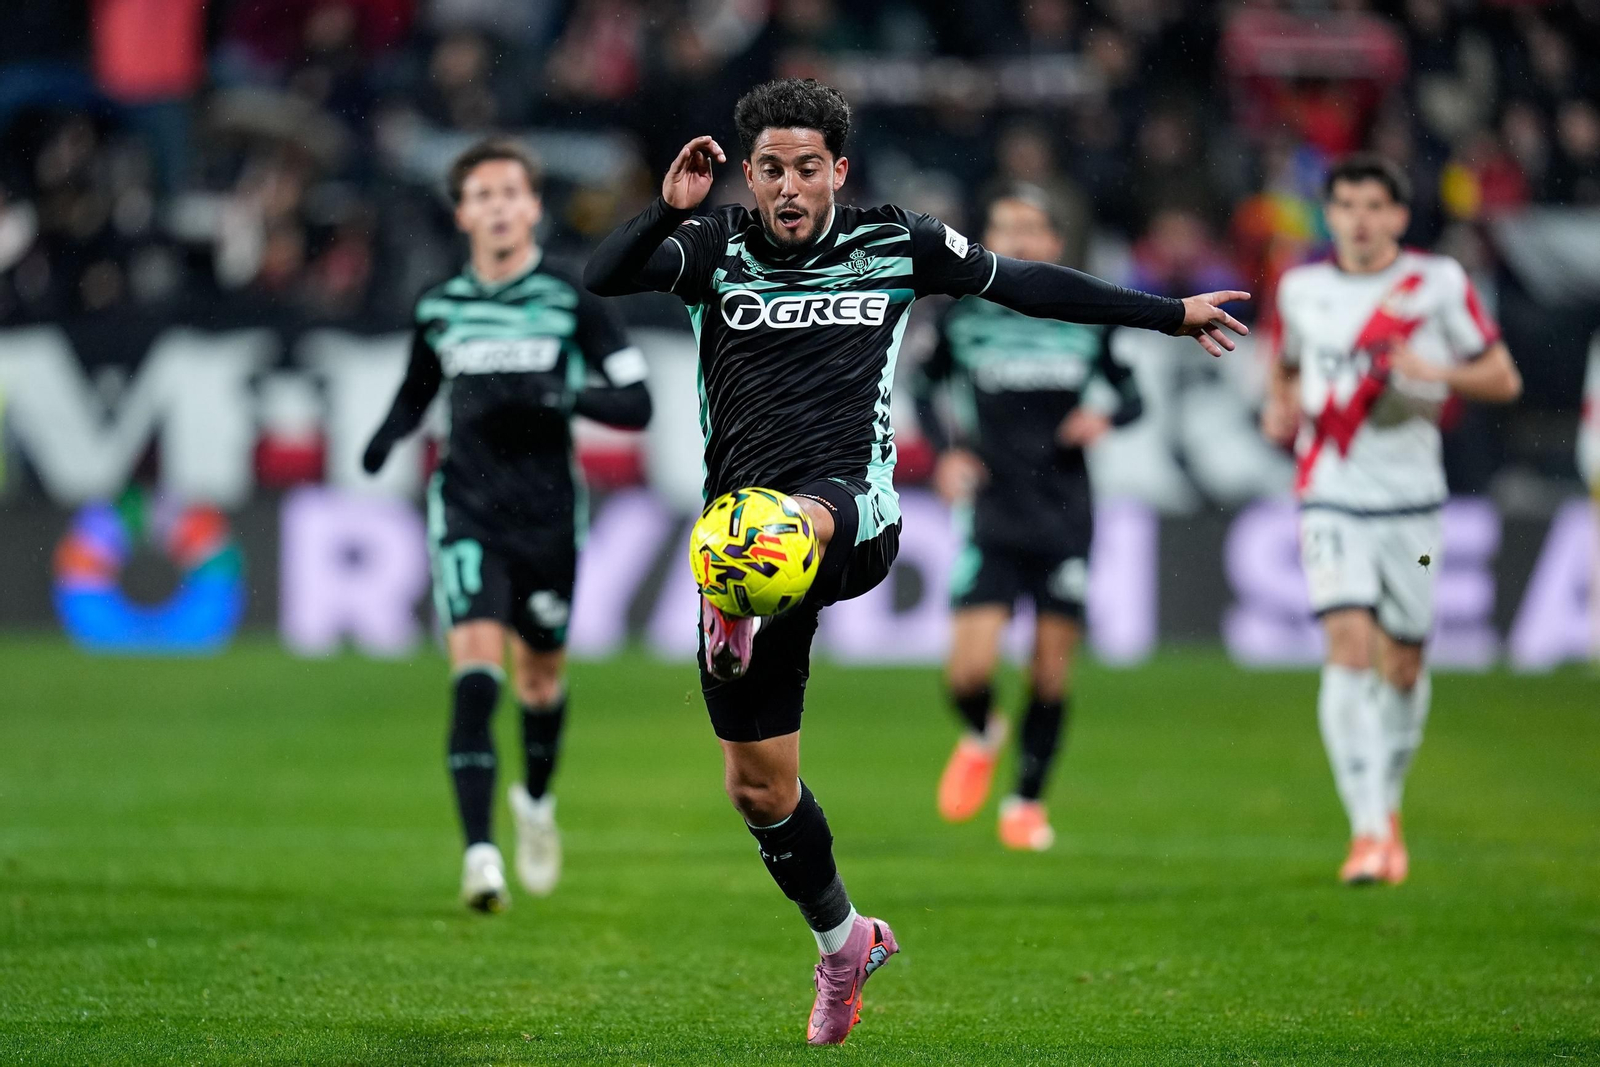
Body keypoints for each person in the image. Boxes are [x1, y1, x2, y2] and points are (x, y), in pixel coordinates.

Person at [584, 78, 1247, 1044]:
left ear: (838, 172)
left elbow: (1029, 282)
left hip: (854, 516)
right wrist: (664, 209)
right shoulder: (711, 247)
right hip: (743, 532)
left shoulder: (898, 241)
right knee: (757, 787)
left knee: (777, 526)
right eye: (768, 168)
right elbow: (604, 275)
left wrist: (1168, 312)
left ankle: (742, 594)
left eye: (807, 167)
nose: (786, 186)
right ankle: (846, 941)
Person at [363, 139, 651, 911]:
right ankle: (480, 855)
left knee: (540, 680)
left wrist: (563, 397)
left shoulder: (572, 296)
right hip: (467, 508)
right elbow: (415, 388)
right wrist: (387, 436)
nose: (496, 206)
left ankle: (535, 803)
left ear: (532, 207)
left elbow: (637, 403)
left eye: (509, 193)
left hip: (550, 515)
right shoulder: (439, 303)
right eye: (481, 195)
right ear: (462, 213)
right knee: (476, 671)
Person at [1261, 153, 1521, 886]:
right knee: (1347, 645)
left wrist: (1436, 373)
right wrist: (1279, 402)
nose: (1360, 220)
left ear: (1399, 217)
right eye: (1346, 206)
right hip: (1330, 491)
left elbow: (1503, 376)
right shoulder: (1303, 287)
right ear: (1330, 214)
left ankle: (1389, 805)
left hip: (1412, 501)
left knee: (1403, 664)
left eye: (1375, 206)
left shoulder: (1436, 283)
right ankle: (1367, 829)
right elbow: (1285, 365)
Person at [915, 184, 1144, 852]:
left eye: (1030, 229)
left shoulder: (1083, 315)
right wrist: (947, 454)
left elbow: (1132, 395)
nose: (1017, 240)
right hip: (993, 507)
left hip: (1065, 510)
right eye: (1004, 227)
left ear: (1052, 243)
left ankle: (1025, 801)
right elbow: (924, 389)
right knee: (967, 673)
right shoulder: (964, 316)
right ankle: (984, 729)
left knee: (1049, 670)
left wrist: (1103, 415)